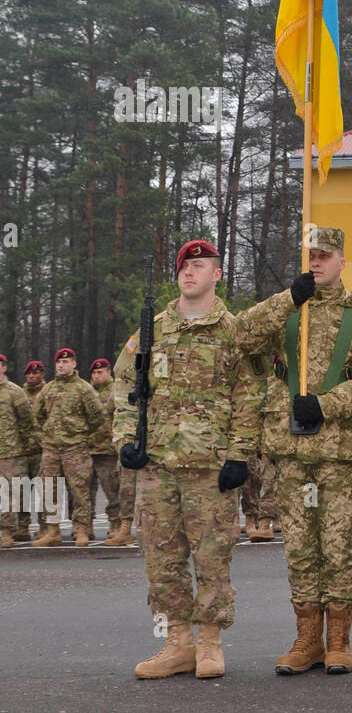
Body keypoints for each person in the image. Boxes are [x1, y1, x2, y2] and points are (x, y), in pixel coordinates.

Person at [235, 226, 352, 675]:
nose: (317, 262)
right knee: (300, 550)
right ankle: (307, 640)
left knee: (337, 548)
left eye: (325, 255)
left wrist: (325, 404)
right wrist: (287, 298)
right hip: (290, 452)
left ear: (343, 261)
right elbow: (240, 337)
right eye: (310, 256)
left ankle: (339, 640)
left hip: (339, 454)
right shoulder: (289, 309)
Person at [114, 240, 261, 679]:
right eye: (184, 266)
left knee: (213, 558)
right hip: (157, 468)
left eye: (199, 266)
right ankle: (178, 642)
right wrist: (125, 438)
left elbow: (250, 397)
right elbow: (124, 387)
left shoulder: (235, 332)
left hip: (210, 470)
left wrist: (239, 455)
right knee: (161, 560)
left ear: (217, 274)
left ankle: (210, 642)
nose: (189, 272)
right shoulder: (152, 331)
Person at [31, 347, 109, 547]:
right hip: (51, 449)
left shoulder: (83, 388)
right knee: (50, 490)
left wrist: (83, 436)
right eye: (58, 362)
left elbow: (98, 417)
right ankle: (53, 531)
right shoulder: (48, 389)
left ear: (74, 364)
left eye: (66, 362)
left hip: (75, 448)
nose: (61, 365)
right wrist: (44, 437)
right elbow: (37, 416)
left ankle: (81, 529)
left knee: (79, 489)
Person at [86, 358, 130, 546]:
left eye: (101, 372)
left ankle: (116, 525)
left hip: (107, 451)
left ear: (108, 372)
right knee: (84, 492)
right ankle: (84, 527)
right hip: (86, 449)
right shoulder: (87, 391)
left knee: (112, 490)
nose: (97, 376)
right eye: (95, 373)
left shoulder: (116, 390)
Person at [0, 355, 36, 548]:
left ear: (4, 367)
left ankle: (7, 532)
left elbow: (27, 422)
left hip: (9, 453)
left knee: (8, 494)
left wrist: (21, 444)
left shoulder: (15, 392)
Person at [21, 360, 49, 539]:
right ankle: (21, 527)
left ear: (42, 374)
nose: (32, 376)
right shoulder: (19, 394)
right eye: (29, 373)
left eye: (35, 373)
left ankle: (45, 527)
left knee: (44, 491)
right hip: (23, 451)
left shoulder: (48, 393)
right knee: (20, 490)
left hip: (42, 450)